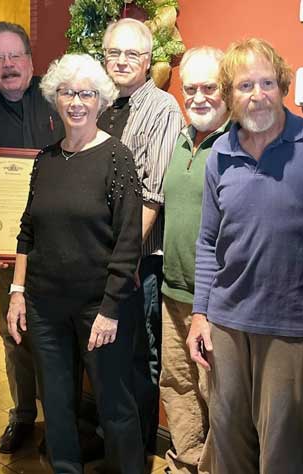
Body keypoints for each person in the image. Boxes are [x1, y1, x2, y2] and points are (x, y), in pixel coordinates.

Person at [187, 38, 303, 474]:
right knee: (228, 441)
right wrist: (200, 314)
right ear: (230, 96)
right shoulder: (220, 152)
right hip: (228, 322)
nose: (258, 95)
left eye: (267, 82)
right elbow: (208, 241)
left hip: (294, 325)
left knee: (283, 449)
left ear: (283, 86)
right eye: (244, 85)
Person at [5, 53, 144, 474]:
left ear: (100, 100)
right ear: (56, 98)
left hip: (98, 307)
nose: (77, 102)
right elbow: (27, 230)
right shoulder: (45, 160)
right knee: (58, 403)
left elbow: (128, 240)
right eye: (68, 92)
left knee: (114, 404)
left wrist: (109, 309)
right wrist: (16, 292)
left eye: (86, 93)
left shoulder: (116, 158)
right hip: (44, 306)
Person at [0, 21, 64, 454]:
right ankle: (24, 415)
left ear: (30, 58)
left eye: (15, 56)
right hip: (9, 250)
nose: (8, 65)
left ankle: (61, 420)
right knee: (15, 331)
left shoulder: (58, 98)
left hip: (62, 246)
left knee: (60, 332)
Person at [98, 18, 184, 452]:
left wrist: (125, 256)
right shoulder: (98, 104)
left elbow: (154, 196)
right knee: (106, 353)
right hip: (99, 254)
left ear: (149, 61)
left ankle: (137, 447)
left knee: (138, 355)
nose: (122, 61)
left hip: (138, 259)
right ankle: (109, 437)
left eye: (132, 54)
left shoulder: (162, 109)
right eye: (114, 53)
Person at [160, 46, 230, 474]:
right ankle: (185, 462)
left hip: (215, 300)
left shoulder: (237, 143)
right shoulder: (182, 137)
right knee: (177, 384)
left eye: (210, 88)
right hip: (172, 289)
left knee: (215, 391)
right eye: (191, 89)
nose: (199, 97)